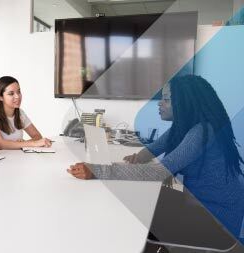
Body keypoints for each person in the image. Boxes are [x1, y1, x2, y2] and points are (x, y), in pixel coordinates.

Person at [67, 75, 244, 241]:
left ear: (186, 103)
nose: (160, 103)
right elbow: (151, 150)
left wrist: (98, 170)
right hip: (200, 203)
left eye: (166, 99)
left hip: (217, 215)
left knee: (133, 218)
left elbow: (160, 172)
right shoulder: (181, 128)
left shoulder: (202, 132)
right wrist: (137, 157)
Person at [0, 76, 52, 149]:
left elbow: (37, 136)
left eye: (18, 92)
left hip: (17, 158)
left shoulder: (20, 113)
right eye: (11, 93)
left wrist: (24, 143)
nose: (17, 96)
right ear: (0, 97)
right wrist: (31, 144)